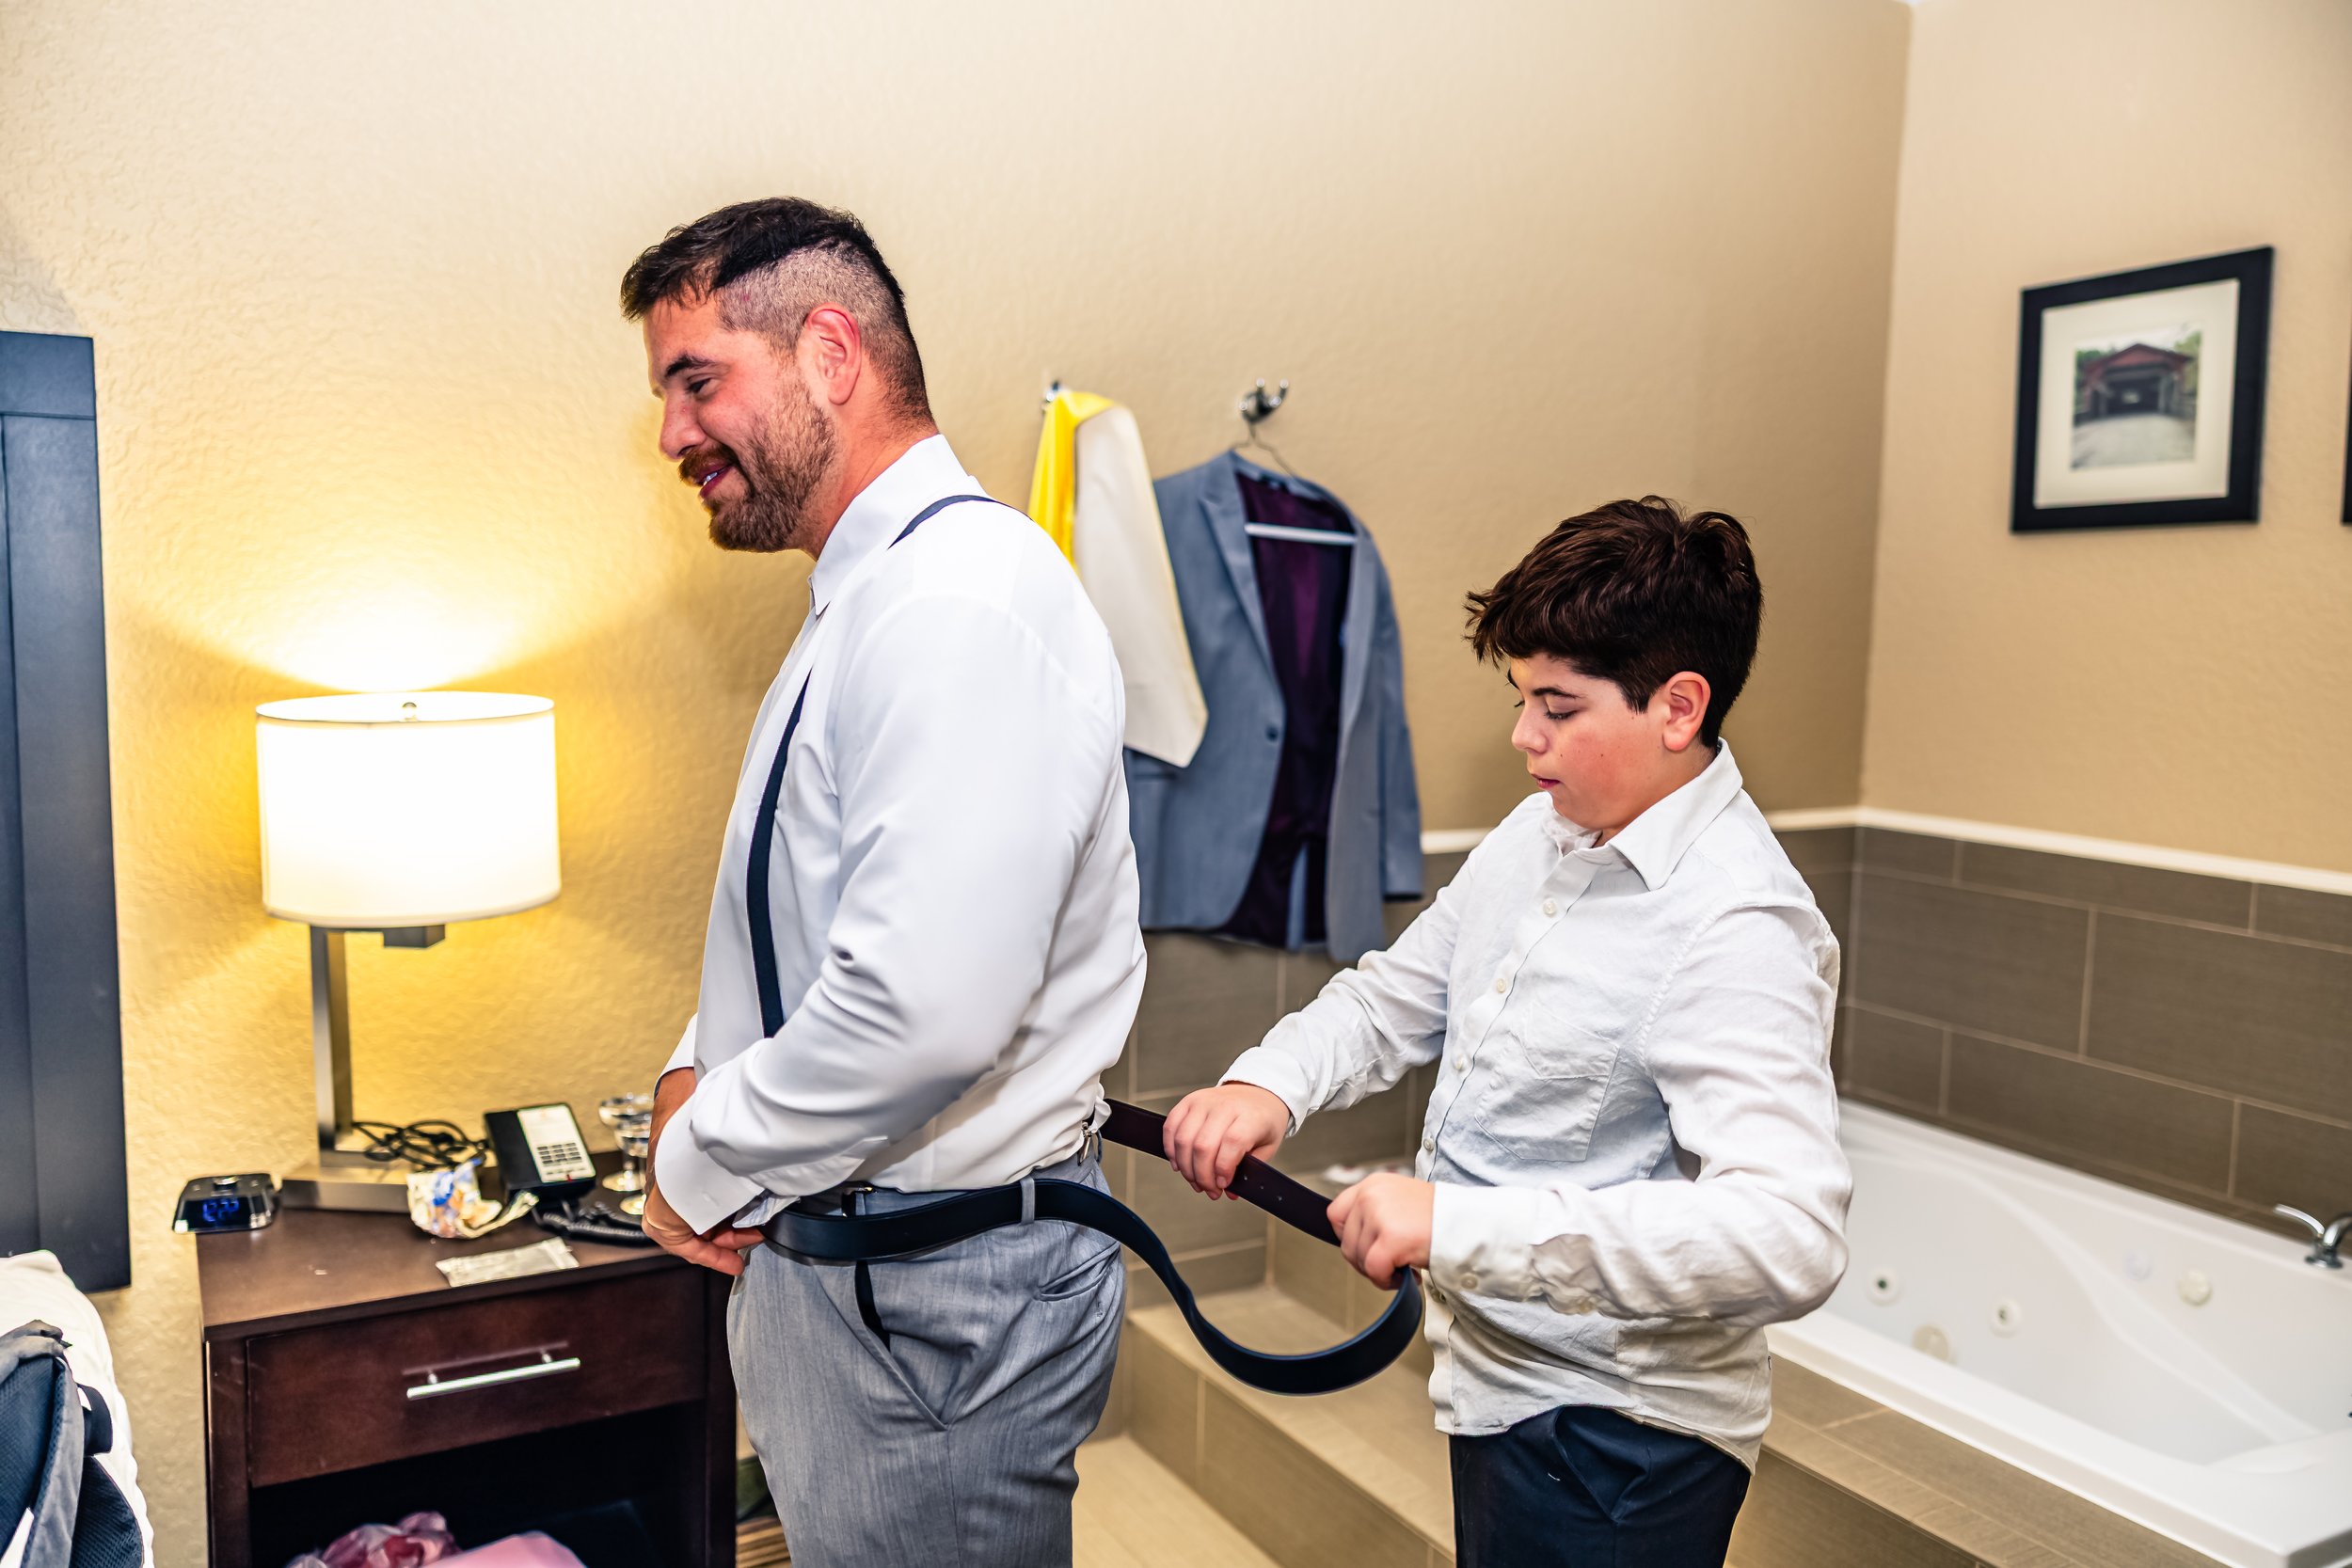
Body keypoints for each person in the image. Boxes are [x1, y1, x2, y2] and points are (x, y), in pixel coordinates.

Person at [1165, 498, 1851, 1567]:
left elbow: (1787, 1234)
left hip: (1619, 1443)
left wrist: (1457, 1224)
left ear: (1677, 706)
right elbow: (1400, 993)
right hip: (1505, 1387)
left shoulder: (1738, 924)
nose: (1522, 736)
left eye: (1556, 706)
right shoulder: (1545, 828)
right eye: (1521, 697)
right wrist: (1271, 1084)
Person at [623, 198, 1141, 1568]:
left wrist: (698, 1151)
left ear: (830, 353)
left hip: (936, 1299)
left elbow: (922, 1008)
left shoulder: (958, 603)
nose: (673, 433)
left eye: (697, 380)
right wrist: (697, 1065)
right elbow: (806, 906)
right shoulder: (871, 596)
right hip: (859, 1263)